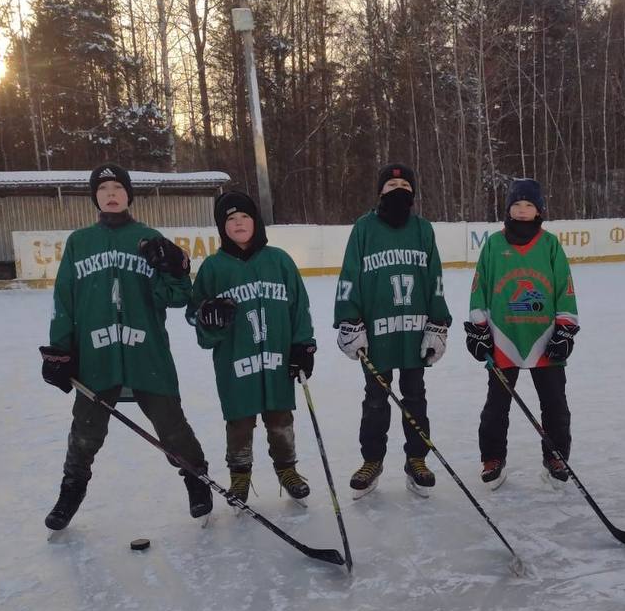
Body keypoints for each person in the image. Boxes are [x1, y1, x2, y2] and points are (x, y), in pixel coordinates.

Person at [40, 164, 211, 530]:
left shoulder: (148, 237)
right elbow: (64, 299)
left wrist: (176, 271)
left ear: (129, 194)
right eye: (103, 189)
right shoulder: (79, 242)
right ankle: (71, 490)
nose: (111, 193)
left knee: (172, 426)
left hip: (146, 352)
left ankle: (196, 479)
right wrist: (59, 350)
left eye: (118, 187)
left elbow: (177, 297)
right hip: (96, 355)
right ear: (95, 197)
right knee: (85, 431)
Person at [187, 190, 316, 508]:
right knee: (239, 421)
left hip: (276, 357)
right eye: (231, 219)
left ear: (256, 221)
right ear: (222, 227)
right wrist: (208, 317)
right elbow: (196, 317)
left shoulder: (279, 260)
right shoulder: (213, 269)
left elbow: (298, 307)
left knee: (280, 418)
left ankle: (288, 470)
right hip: (235, 360)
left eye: (245, 216)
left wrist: (303, 346)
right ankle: (239, 475)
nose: (239, 223)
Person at [334, 163, 451, 498]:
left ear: (412, 192)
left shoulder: (423, 229)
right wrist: (349, 319)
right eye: (390, 184)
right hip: (377, 334)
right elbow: (349, 277)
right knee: (375, 399)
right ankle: (372, 460)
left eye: (404, 183)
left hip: (414, 332)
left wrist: (439, 323)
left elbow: (436, 279)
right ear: (380, 192)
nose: (397, 188)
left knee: (415, 397)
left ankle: (416, 458)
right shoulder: (364, 228)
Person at [464, 178, 579, 489]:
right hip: (503, 336)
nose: (523, 210)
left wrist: (565, 330)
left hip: (545, 337)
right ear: (508, 209)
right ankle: (493, 458)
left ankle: (556, 456)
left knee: (555, 403)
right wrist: (478, 328)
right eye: (517, 204)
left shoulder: (550, 244)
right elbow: (480, 288)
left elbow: (564, 290)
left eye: (529, 205)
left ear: (539, 209)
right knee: (496, 405)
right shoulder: (494, 244)